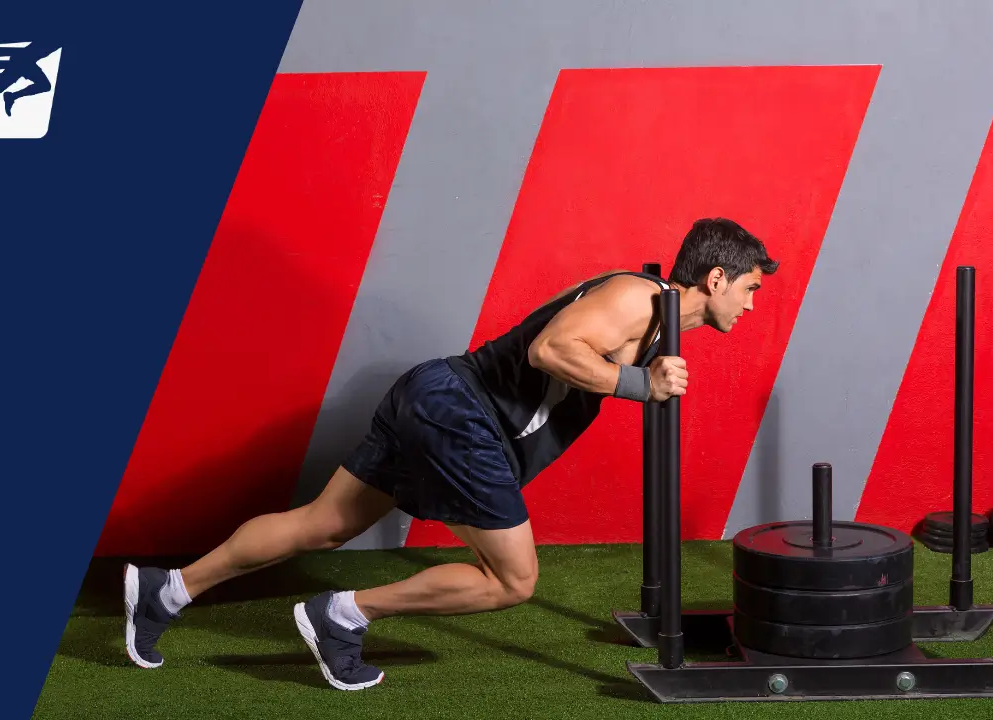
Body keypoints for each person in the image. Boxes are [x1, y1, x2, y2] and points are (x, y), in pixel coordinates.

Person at [122, 217, 778, 690]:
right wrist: (641, 384)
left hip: (435, 395)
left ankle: (168, 590)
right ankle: (342, 615)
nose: (751, 304)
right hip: (463, 413)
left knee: (321, 524)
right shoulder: (636, 296)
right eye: (748, 288)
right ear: (716, 276)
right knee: (514, 581)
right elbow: (549, 351)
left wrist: (650, 373)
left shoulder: (656, 319)